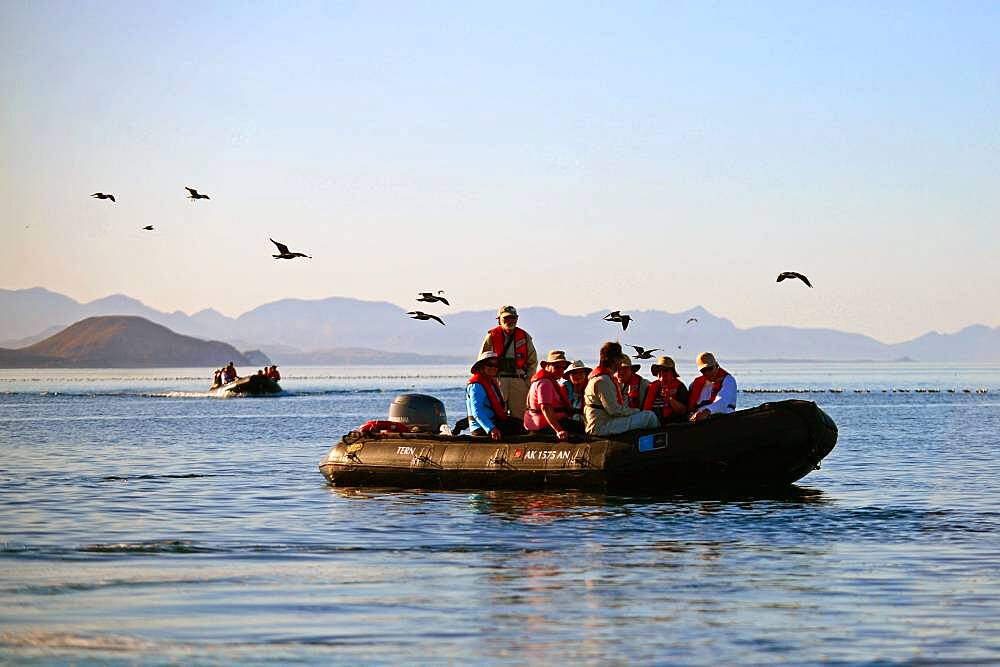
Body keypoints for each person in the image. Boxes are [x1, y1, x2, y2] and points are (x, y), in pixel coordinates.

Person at [584, 342, 659, 436]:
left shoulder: (601, 378)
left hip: (603, 422)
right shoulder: (603, 380)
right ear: (614, 359)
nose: (620, 362)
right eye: (619, 358)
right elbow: (614, 410)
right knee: (649, 416)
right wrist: (637, 412)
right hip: (601, 427)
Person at [479, 305, 538, 421]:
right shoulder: (491, 336)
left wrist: (528, 381)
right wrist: (485, 382)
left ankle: (522, 438)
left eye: (513, 318)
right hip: (498, 380)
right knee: (497, 414)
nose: (510, 321)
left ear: (517, 319)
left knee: (521, 416)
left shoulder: (525, 337)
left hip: (519, 380)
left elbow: (533, 362)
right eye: (506, 318)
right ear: (499, 319)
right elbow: (482, 360)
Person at [524, 350, 584, 439]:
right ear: (547, 366)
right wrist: (559, 430)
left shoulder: (546, 381)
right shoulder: (545, 382)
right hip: (544, 426)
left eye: (563, 368)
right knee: (585, 429)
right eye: (557, 367)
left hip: (547, 423)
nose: (561, 370)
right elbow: (545, 407)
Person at [466, 351, 524, 440]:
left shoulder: (491, 383)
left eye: (495, 365)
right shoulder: (476, 386)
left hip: (495, 422)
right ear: (482, 367)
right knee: (517, 428)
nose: (493, 367)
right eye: (489, 364)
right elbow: (477, 412)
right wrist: (491, 429)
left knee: (520, 424)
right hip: (481, 428)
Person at [687, 351, 737, 423]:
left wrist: (706, 412)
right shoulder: (694, 384)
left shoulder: (728, 380)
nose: (707, 373)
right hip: (698, 424)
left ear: (716, 365)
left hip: (722, 420)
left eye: (710, 368)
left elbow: (722, 401)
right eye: (704, 370)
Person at [643, 356, 689, 425]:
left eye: (665, 370)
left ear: (672, 373)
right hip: (653, 425)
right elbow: (644, 411)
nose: (662, 373)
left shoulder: (680, 387)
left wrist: (669, 399)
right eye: (659, 370)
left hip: (673, 425)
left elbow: (684, 411)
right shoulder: (650, 387)